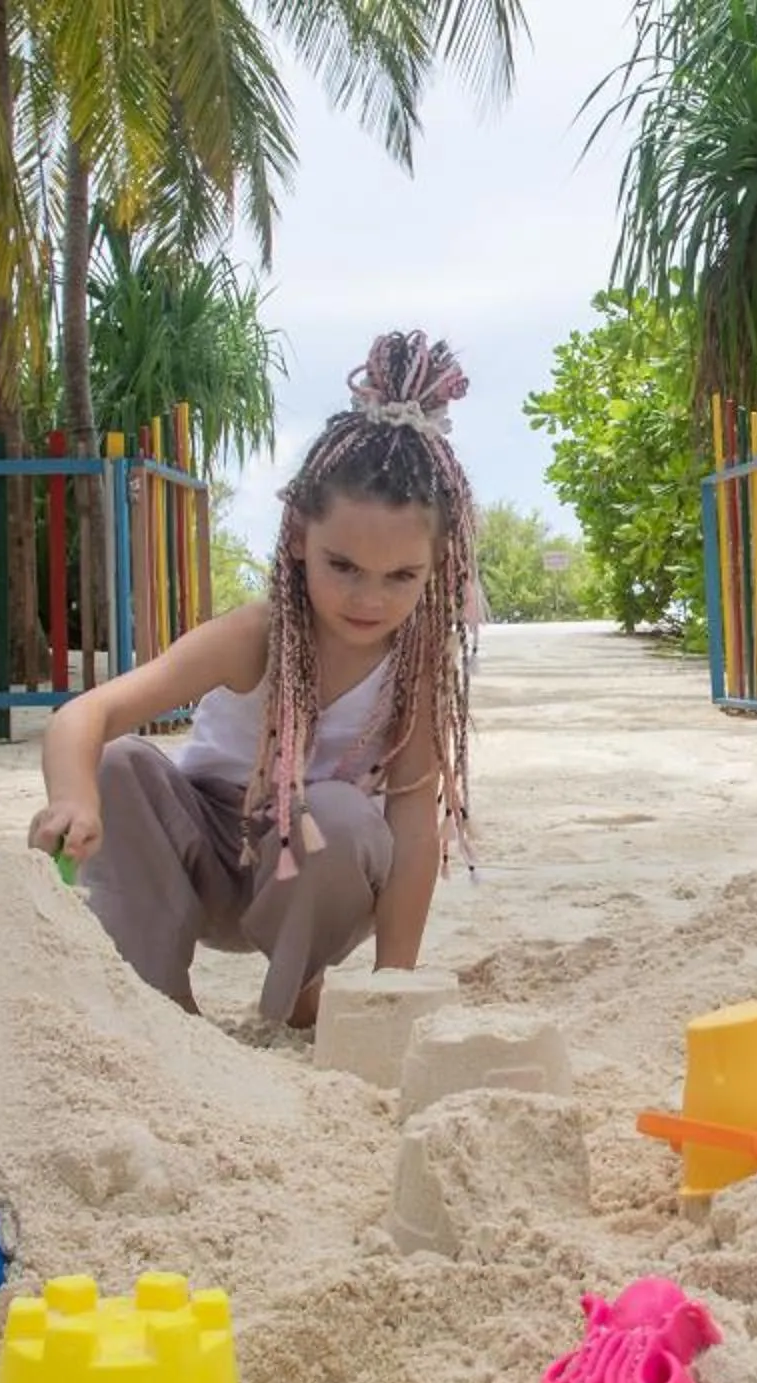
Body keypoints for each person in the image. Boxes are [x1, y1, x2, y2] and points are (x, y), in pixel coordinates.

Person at [29, 332, 479, 1030]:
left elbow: (415, 829)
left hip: (312, 874)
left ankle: (295, 1000)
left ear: (437, 563)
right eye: (343, 566)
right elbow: (84, 716)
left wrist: (395, 988)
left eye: (402, 577)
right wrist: (74, 802)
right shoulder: (258, 635)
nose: (369, 599)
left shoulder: (416, 666)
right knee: (121, 765)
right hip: (204, 853)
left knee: (340, 816)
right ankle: (160, 1010)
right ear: (298, 535)